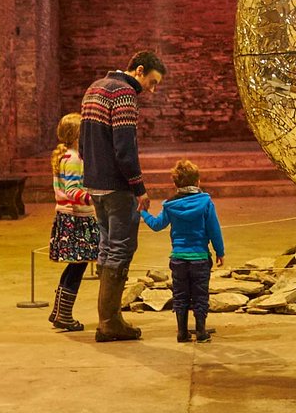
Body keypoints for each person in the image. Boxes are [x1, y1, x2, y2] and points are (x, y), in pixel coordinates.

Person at [80, 50, 167, 343]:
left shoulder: (94, 88)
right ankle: (110, 322)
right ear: (139, 70)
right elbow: (125, 148)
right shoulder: (124, 94)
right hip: (117, 187)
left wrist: (91, 172)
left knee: (106, 247)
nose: (151, 90)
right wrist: (139, 187)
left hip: (94, 184)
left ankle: (109, 318)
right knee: (120, 249)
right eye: (152, 82)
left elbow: (83, 142)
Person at [141, 159, 226, 343]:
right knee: (200, 296)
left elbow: (157, 225)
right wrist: (220, 251)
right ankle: (201, 332)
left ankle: (182, 332)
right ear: (197, 182)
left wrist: (143, 212)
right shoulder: (206, 203)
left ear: (175, 183)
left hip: (178, 258)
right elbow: (214, 230)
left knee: (180, 296)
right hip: (200, 258)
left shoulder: (170, 205)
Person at [46, 112, 99, 332]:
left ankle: (59, 311)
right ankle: (65, 315)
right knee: (78, 266)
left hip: (68, 216)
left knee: (74, 265)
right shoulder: (75, 159)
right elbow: (72, 190)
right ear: (77, 134)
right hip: (77, 217)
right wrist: (94, 198)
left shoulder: (65, 156)